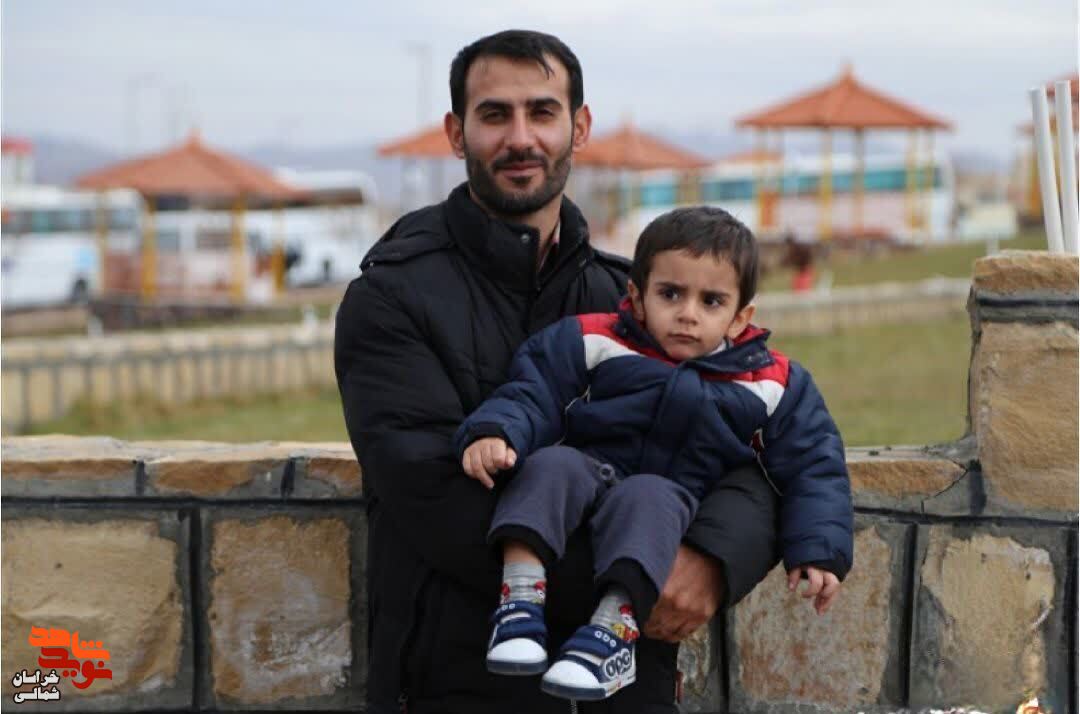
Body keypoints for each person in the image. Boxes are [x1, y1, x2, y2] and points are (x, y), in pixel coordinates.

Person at [335, 30, 782, 714]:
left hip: (626, 690)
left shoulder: (632, 301)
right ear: (456, 133)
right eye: (494, 115)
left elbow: (755, 447)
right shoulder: (390, 298)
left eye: (542, 112)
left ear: (579, 127)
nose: (521, 138)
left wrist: (713, 562)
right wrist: (640, 577)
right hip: (458, 682)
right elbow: (433, 497)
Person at [455, 206, 853, 702]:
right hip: (587, 473)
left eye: (711, 301)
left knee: (647, 497)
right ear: (638, 298)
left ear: (740, 317)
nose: (688, 313)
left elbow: (814, 464)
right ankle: (518, 601)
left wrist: (818, 548)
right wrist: (497, 431)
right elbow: (534, 388)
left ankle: (612, 634)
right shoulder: (595, 338)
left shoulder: (772, 382)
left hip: (668, 504)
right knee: (548, 466)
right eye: (671, 294)